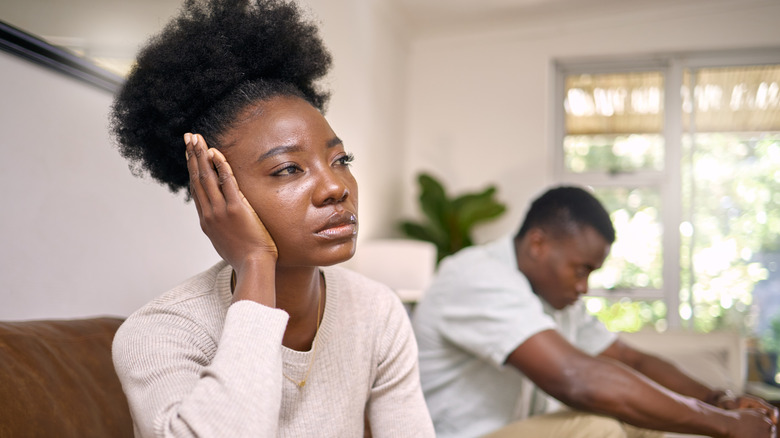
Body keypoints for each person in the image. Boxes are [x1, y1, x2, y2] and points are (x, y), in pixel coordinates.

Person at [109, 0, 435, 436]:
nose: (335, 187)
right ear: (218, 193)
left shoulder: (377, 313)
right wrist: (255, 262)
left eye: (340, 159)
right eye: (287, 169)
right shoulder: (159, 334)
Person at [412, 185, 778, 438]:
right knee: (597, 429)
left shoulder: (553, 297)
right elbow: (576, 378)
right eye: (580, 269)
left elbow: (629, 360)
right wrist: (726, 425)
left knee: (643, 420)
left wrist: (720, 400)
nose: (584, 287)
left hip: (511, 430)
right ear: (538, 244)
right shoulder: (476, 276)